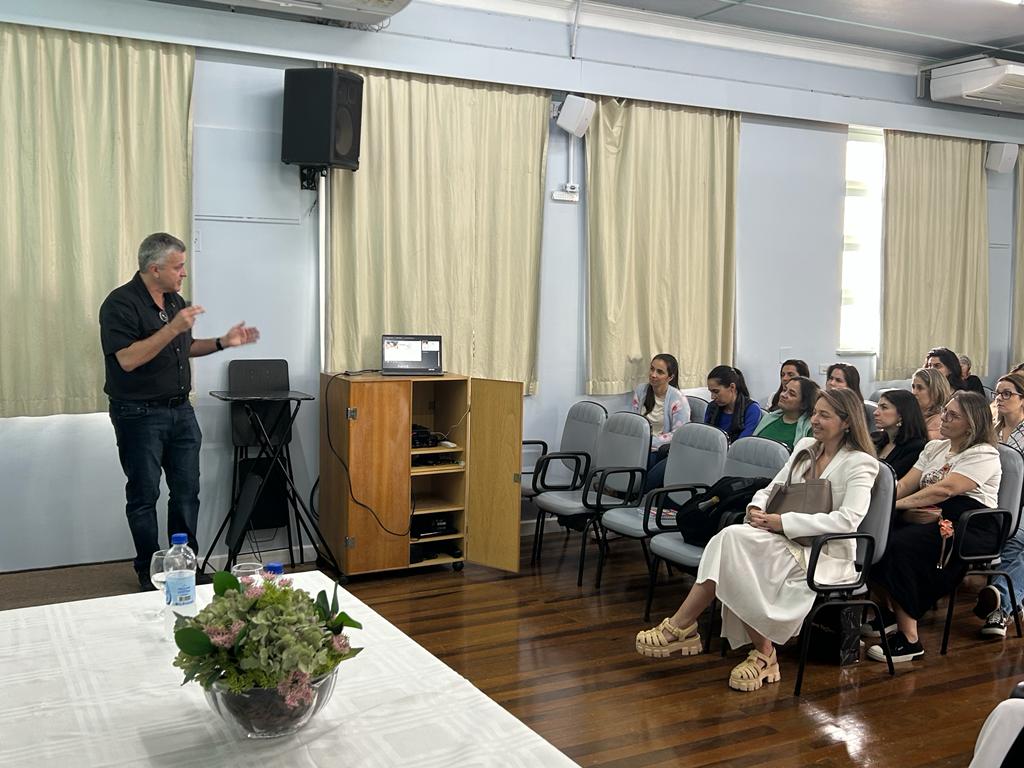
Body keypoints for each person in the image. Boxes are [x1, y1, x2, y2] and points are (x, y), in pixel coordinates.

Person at [634, 388, 878, 691]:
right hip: (785, 539)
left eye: (824, 415)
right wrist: (756, 507)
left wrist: (783, 522)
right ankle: (756, 651)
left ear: (846, 422)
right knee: (730, 539)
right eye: (814, 412)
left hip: (824, 553)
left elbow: (847, 520)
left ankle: (691, 628)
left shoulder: (861, 463)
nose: (814, 419)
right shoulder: (806, 447)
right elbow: (773, 488)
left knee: (733, 548)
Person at [99, 232, 260, 591]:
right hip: (138, 414)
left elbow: (182, 347)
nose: (183, 273)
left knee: (187, 492)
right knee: (144, 496)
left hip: (180, 412)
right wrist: (172, 327)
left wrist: (223, 342)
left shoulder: (174, 300)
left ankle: (182, 567)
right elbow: (127, 359)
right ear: (154, 269)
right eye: (178, 266)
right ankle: (148, 572)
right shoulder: (120, 304)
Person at [867, 391, 1002, 663]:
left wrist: (896, 507)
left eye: (953, 415)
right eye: (946, 412)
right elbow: (906, 484)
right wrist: (879, 505)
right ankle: (892, 611)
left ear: (972, 424)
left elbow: (946, 489)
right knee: (875, 538)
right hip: (932, 514)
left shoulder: (984, 453)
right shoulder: (935, 448)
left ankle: (910, 639)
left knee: (899, 547)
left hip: (971, 524)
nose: (944, 418)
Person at [974, 372, 1024, 638]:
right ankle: (1007, 602)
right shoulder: (991, 430)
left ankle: (1000, 607)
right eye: (997, 393)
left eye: (1008, 394)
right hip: (993, 500)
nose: (1000, 399)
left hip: (1021, 503)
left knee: (1016, 539)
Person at [631, 354, 690, 491]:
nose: (653, 375)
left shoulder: (677, 398)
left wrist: (650, 442)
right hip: (640, 444)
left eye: (660, 372)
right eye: (652, 369)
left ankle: (633, 493)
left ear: (670, 377)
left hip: (660, 449)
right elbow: (634, 421)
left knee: (644, 463)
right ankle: (621, 490)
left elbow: (679, 434)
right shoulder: (641, 390)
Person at [872, 389, 928, 479]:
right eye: (878, 407)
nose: (875, 413)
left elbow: (889, 479)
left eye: (884, 408)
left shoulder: (916, 447)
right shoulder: (874, 438)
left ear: (901, 414)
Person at [753, 375, 819, 451]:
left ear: (804, 404)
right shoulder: (768, 418)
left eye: (792, 394)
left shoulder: (809, 428)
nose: (783, 395)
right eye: (784, 390)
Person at [704, 365, 761, 443]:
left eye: (716, 391)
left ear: (732, 387)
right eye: (711, 392)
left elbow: (741, 444)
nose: (712, 397)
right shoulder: (712, 407)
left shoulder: (752, 409)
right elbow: (706, 437)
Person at [912, 367, 952, 441]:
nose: (914, 392)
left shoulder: (940, 421)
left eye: (920, 388)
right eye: (913, 387)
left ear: (935, 392)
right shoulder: (913, 415)